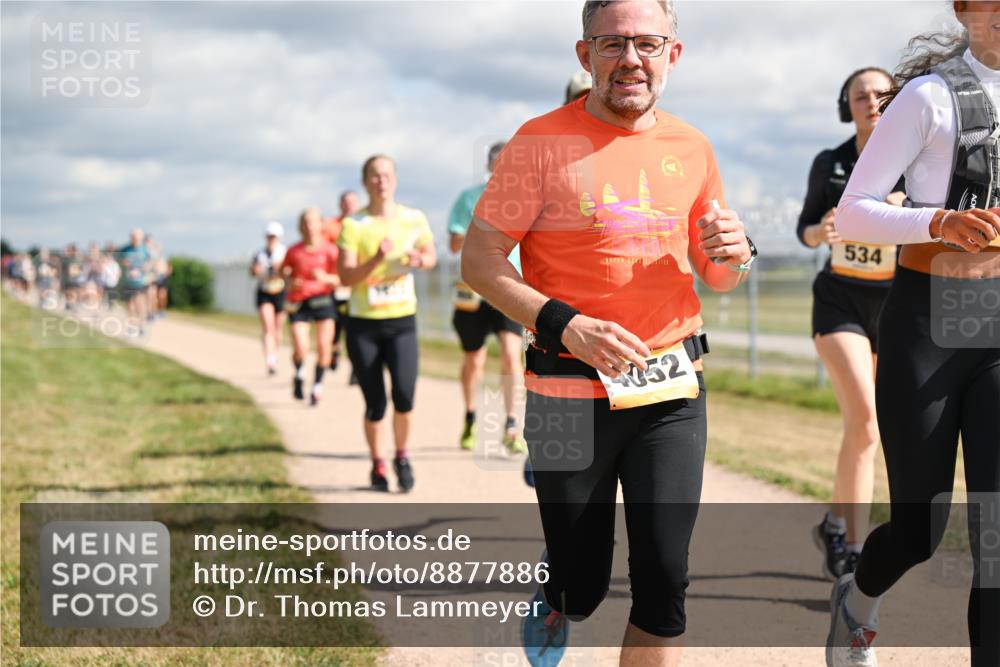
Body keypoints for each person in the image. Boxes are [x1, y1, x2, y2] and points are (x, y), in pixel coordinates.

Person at [461, 2, 756, 666]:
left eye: (648, 44)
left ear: (672, 56)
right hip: (566, 393)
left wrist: (737, 252)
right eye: (613, 44)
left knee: (664, 578)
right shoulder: (538, 143)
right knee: (583, 583)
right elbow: (479, 262)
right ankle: (559, 587)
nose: (631, 59)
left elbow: (719, 274)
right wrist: (566, 324)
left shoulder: (693, 146)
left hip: (669, 389)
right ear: (584, 54)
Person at [828, 3, 1000, 666]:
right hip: (928, 321)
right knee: (920, 529)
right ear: (965, 9)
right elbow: (855, 213)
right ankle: (859, 600)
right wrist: (936, 221)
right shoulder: (930, 97)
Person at [798, 67, 904, 581]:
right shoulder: (832, 163)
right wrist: (822, 229)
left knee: (861, 431)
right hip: (839, 303)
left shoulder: (915, 162)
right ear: (848, 105)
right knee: (866, 421)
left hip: (896, 307)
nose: (872, 102)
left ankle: (836, 524)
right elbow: (806, 230)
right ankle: (857, 553)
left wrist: (904, 214)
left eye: (883, 95)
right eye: (861, 96)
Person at [338, 155, 436, 493]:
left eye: (387, 175)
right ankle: (378, 463)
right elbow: (346, 276)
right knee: (376, 403)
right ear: (365, 182)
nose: (382, 181)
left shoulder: (414, 218)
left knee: (405, 396)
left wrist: (419, 260)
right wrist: (378, 258)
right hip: (364, 324)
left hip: (402, 321)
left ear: (395, 179)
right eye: (374, 176)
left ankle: (402, 456)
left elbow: (431, 256)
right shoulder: (354, 224)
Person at [449, 141, 528, 455]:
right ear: (489, 164)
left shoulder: (525, 199)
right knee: (474, 359)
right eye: (499, 161)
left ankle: (511, 425)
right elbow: (455, 245)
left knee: (512, 354)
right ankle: (470, 416)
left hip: (511, 287)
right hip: (473, 290)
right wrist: (480, 225)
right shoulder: (468, 198)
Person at [280, 208, 339, 405]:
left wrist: (326, 278)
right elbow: (282, 274)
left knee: (324, 347)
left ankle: (317, 387)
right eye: (305, 222)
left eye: (313, 222)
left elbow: (342, 279)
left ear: (321, 225)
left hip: (323, 300)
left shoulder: (331, 250)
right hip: (299, 302)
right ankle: (299, 374)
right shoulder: (293, 250)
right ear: (300, 226)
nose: (309, 226)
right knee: (301, 346)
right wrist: (289, 281)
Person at [325, 190, 361, 373]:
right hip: (335, 284)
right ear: (340, 205)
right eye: (345, 202)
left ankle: (356, 367)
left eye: (353, 202)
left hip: (357, 284)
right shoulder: (330, 226)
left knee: (354, 328)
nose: (349, 206)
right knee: (335, 327)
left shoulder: (365, 224)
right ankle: (334, 353)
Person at [250, 221, 288, 375]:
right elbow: (252, 271)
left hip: (280, 291)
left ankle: (275, 353)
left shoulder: (285, 252)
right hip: (265, 292)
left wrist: (280, 269)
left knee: (278, 328)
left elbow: (288, 271)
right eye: (270, 236)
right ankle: (270, 360)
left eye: (274, 236)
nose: (272, 239)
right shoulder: (259, 254)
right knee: (268, 326)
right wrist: (258, 270)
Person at [119, 229, 151, 335]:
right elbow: (118, 258)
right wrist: (124, 263)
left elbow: (150, 262)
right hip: (128, 282)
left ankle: (141, 326)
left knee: (139, 304)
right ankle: (132, 326)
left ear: (140, 238)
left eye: (137, 238)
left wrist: (144, 268)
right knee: (130, 305)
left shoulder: (145, 250)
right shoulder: (125, 249)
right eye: (133, 237)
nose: (135, 240)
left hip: (140, 282)